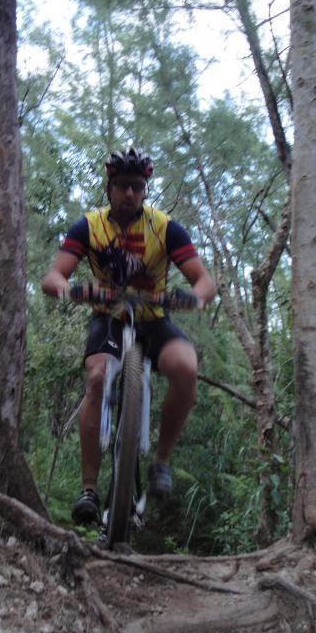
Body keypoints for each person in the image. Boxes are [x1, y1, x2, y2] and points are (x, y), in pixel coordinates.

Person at [41, 147, 217, 525]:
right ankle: (89, 488)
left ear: (145, 190)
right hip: (109, 317)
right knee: (98, 377)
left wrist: (193, 298)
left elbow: (204, 282)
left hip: (153, 317)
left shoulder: (165, 227)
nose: (129, 194)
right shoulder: (89, 226)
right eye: (122, 186)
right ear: (109, 189)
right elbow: (53, 277)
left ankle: (161, 462)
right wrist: (73, 291)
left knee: (185, 368)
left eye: (137, 187)